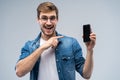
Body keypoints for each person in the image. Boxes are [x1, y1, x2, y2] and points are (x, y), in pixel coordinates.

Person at [15, 1, 96, 80]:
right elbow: (19, 72)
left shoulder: (71, 43)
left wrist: (90, 50)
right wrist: (42, 47)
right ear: (38, 20)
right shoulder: (29, 46)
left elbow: (86, 75)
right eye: (44, 18)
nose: (49, 23)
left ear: (57, 19)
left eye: (52, 18)